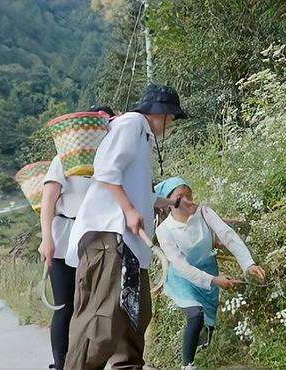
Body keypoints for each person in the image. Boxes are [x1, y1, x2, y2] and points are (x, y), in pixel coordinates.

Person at [64, 84, 188, 370]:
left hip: (131, 245)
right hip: (110, 238)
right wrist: (130, 210)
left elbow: (138, 190)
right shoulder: (131, 124)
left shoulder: (142, 136)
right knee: (102, 322)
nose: (171, 123)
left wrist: (168, 203)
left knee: (135, 317)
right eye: (171, 117)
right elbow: (106, 171)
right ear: (159, 113)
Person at [154, 176, 266, 369]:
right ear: (169, 204)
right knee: (195, 314)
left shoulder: (204, 212)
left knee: (207, 327)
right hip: (184, 278)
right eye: (181, 197)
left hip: (208, 270)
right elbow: (182, 266)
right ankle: (187, 365)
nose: (189, 201)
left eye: (189, 195)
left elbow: (228, 235)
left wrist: (248, 264)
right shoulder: (164, 231)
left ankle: (202, 342)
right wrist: (215, 280)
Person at [38, 106, 114, 370]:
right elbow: (48, 200)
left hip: (95, 240)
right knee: (65, 305)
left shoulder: (109, 159)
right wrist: (46, 239)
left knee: (92, 306)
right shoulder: (65, 157)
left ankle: (83, 361)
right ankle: (61, 364)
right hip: (64, 238)